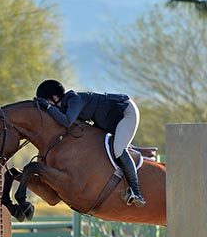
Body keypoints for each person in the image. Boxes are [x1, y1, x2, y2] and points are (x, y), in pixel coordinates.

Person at [34, 79, 146, 207]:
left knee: (118, 149)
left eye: (48, 102)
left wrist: (47, 107)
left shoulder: (74, 99)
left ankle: (137, 193)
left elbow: (66, 121)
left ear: (54, 97)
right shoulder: (66, 105)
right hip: (110, 120)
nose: (49, 106)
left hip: (126, 113)